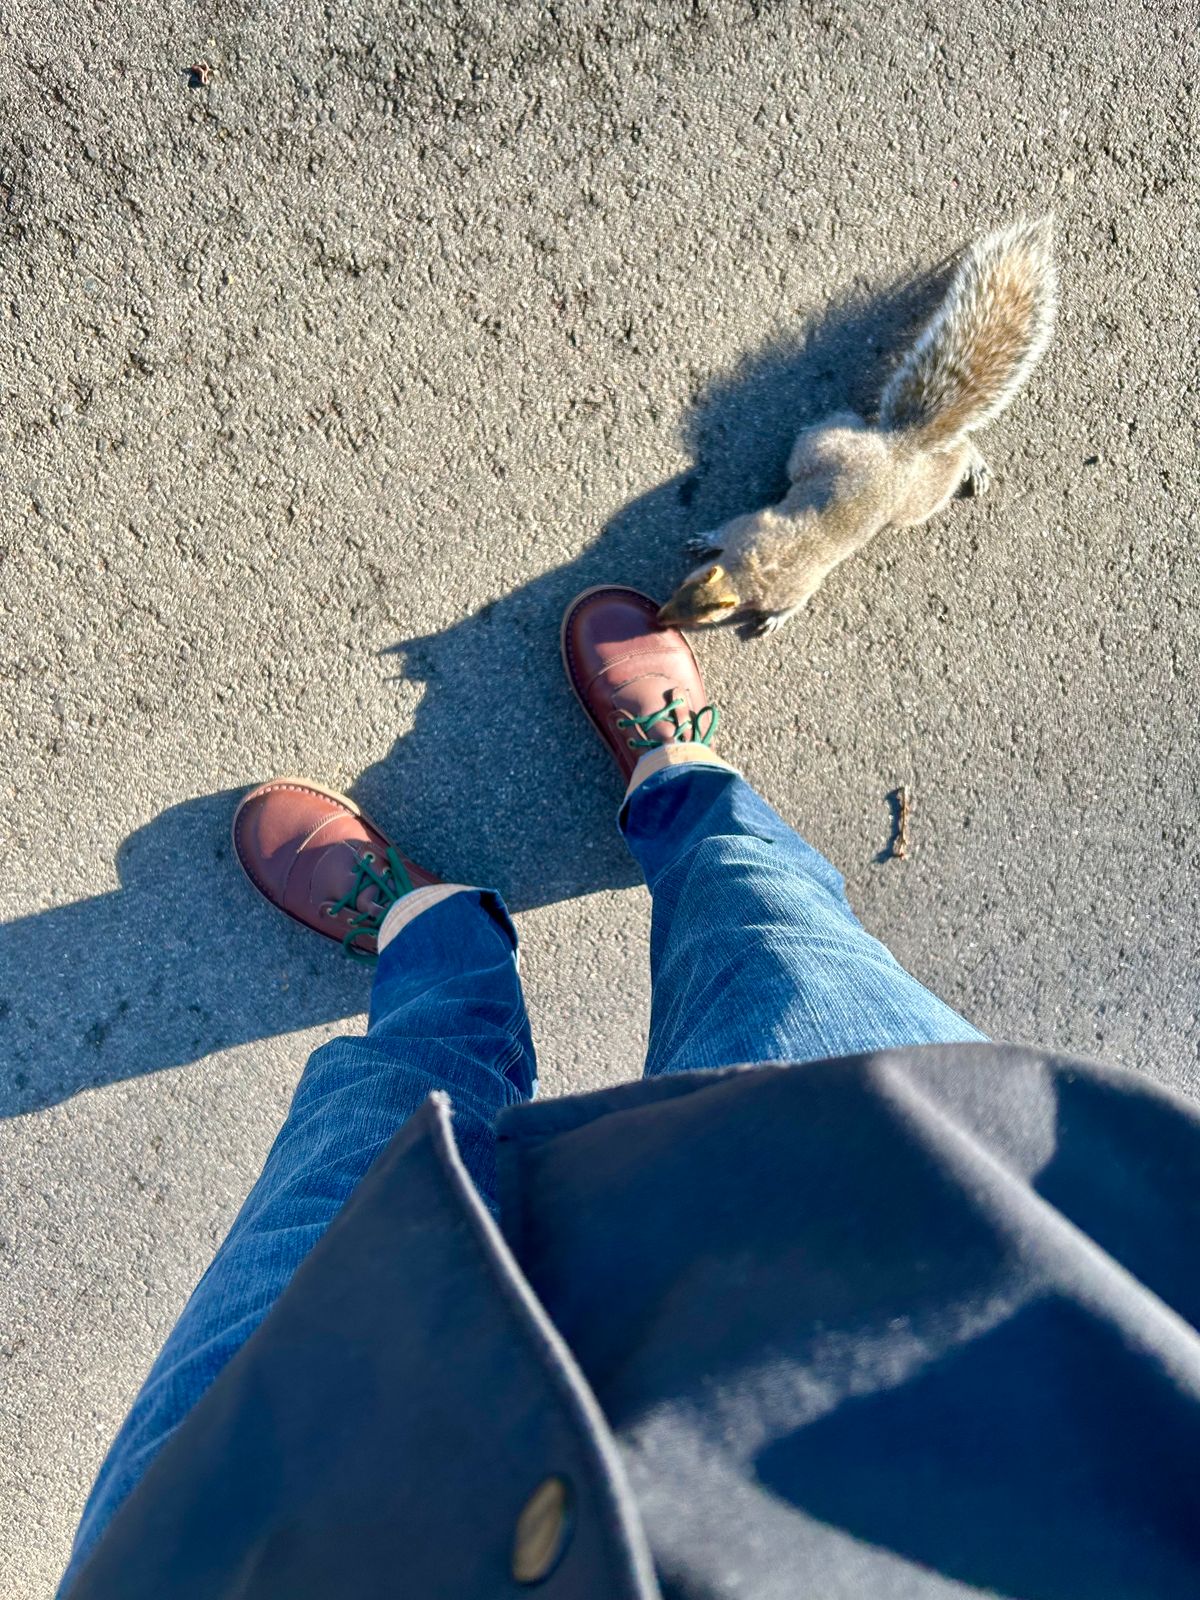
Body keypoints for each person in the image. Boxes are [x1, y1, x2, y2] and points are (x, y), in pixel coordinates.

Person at [60, 589, 1200, 1599]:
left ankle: (432, 939)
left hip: (282, 1545)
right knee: (786, 976)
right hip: (992, 1426)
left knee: (363, 1165)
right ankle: (689, 792)